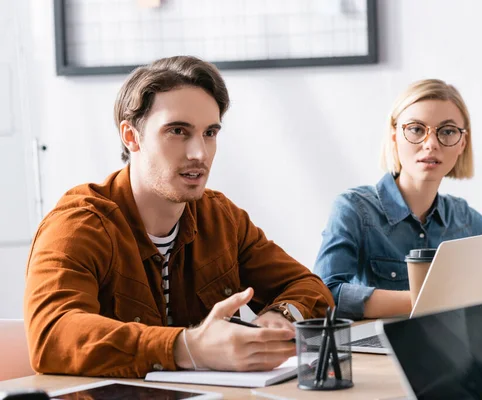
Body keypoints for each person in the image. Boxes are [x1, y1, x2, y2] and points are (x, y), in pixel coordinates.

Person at [24, 56, 334, 378]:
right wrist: (187, 347)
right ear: (132, 137)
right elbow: (51, 335)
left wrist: (277, 320)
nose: (199, 153)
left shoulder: (221, 218)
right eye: (177, 131)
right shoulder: (78, 225)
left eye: (210, 133)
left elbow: (308, 287)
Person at [314, 79, 482, 320]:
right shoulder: (354, 208)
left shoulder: (460, 216)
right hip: (378, 352)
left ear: (462, 143)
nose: (431, 144)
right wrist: (445, 301)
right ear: (394, 136)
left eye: (448, 131)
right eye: (416, 129)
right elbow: (326, 295)